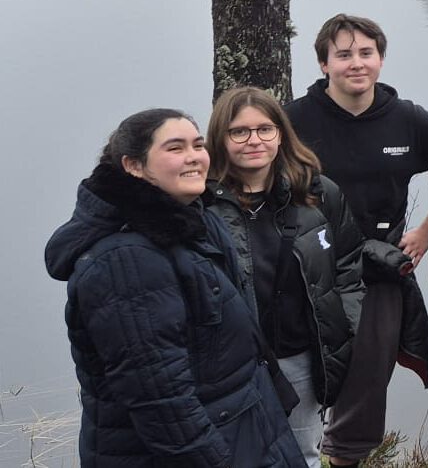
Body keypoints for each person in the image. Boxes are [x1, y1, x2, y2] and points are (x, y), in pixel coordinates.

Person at [45, 109, 305, 467]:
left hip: (241, 429)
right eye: (175, 148)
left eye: (198, 144)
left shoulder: (194, 223)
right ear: (134, 166)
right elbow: (161, 401)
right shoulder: (126, 261)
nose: (194, 157)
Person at [285, 14, 428, 467]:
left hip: (380, 268)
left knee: (369, 377)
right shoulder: (295, 119)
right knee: (302, 373)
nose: (356, 63)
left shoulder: (408, 119)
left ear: (380, 59)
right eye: (344, 54)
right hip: (307, 268)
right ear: (323, 64)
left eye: (366, 53)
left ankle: (344, 459)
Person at [204, 87, 366, 468]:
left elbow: (348, 267)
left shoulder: (318, 193)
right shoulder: (202, 204)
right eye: (239, 131)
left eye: (265, 129)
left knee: (301, 457)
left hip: (299, 358)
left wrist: (344, 329)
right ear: (220, 139)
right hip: (230, 366)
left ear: (281, 133)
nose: (254, 140)